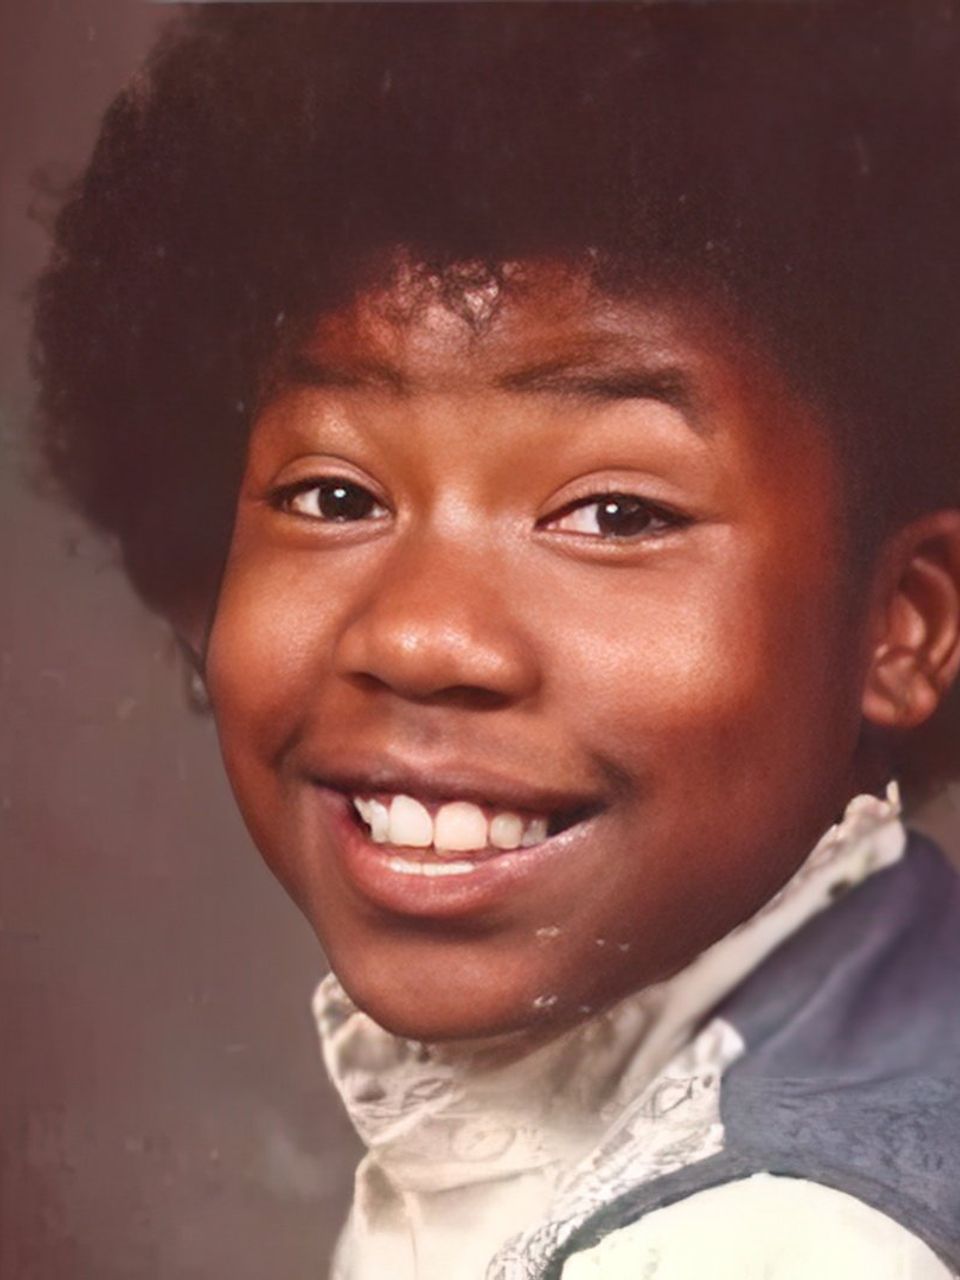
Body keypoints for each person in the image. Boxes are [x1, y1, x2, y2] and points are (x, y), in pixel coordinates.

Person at [31, 4, 960, 1277]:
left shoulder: (772, 1243)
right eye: (334, 494)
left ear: (904, 623)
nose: (422, 635)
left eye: (616, 513)